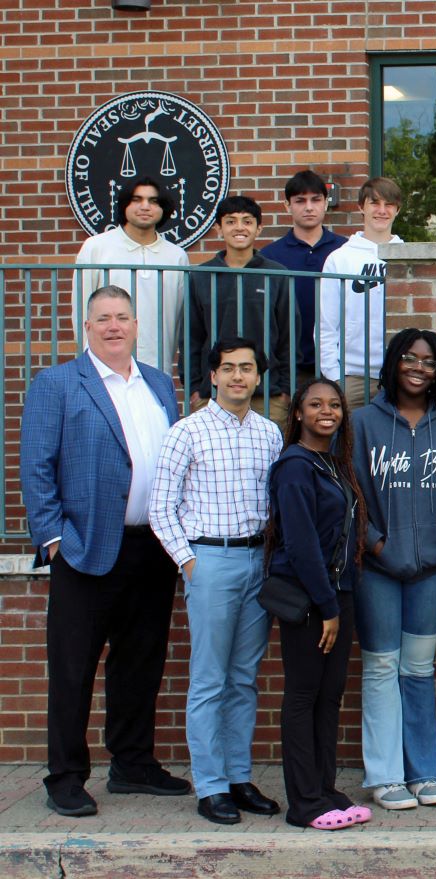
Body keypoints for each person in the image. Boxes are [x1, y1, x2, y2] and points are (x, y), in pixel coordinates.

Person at [20, 285, 187, 817]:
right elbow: (36, 467)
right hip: (86, 548)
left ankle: (132, 764)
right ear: (86, 327)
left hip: (151, 550)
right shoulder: (58, 384)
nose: (114, 326)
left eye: (122, 317)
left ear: (137, 326)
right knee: (73, 669)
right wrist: (54, 541)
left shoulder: (160, 385)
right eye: (103, 318)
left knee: (140, 664)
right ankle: (65, 777)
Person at [149, 336, 283, 825]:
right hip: (209, 562)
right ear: (212, 376)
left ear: (258, 375)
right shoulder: (187, 431)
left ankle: (238, 777)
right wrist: (189, 562)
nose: (238, 377)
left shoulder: (269, 433)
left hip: (256, 564)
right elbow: (160, 508)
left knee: (244, 679)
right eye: (228, 368)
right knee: (209, 679)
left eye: (247, 368)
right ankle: (210, 786)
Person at [351, 329, 436, 811]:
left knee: (418, 669)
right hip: (377, 566)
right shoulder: (361, 423)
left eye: (429, 361)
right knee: (379, 667)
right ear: (394, 362)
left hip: (432, 571)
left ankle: (422, 772)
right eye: (410, 358)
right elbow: (349, 492)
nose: (419, 367)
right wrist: (375, 543)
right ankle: (384, 775)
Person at [265, 378, 370, 830]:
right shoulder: (294, 466)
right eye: (315, 405)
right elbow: (302, 544)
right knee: (304, 696)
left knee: (330, 697)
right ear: (299, 415)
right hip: (310, 600)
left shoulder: (332, 464)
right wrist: (326, 606)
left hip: (337, 595)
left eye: (334, 405)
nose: (326, 411)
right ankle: (304, 802)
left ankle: (325, 790)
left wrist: (337, 601)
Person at [184, 195, 292, 427]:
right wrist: (195, 387)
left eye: (247, 221)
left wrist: (285, 389)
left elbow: (288, 336)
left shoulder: (278, 275)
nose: (239, 227)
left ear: (259, 228)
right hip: (212, 394)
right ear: (218, 229)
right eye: (231, 221)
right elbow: (191, 337)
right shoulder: (201, 276)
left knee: (269, 461)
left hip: (267, 395)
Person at [71, 176, 189, 371]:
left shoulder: (176, 256)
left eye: (153, 201)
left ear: (163, 209)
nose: (145, 206)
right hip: (101, 365)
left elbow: (178, 319)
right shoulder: (96, 247)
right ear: (125, 205)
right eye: (136, 200)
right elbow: (81, 308)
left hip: (157, 366)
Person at [320, 177, 404, 410]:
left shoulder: (408, 257)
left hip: (399, 373)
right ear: (361, 207)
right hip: (352, 375)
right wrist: (334, 376)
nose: (381, 210)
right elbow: (326, 322)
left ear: (397, 210)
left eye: (389, 204)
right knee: (347, 444)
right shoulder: (340, 258)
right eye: (374, 203)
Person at [260, 169, 348, 383]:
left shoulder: (345, 250)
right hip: (288, 369)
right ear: (287, 206)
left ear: (326, 203)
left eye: (316, 200)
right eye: (300, 201)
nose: (309, 207)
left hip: (338, 365)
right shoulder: (269, 256)